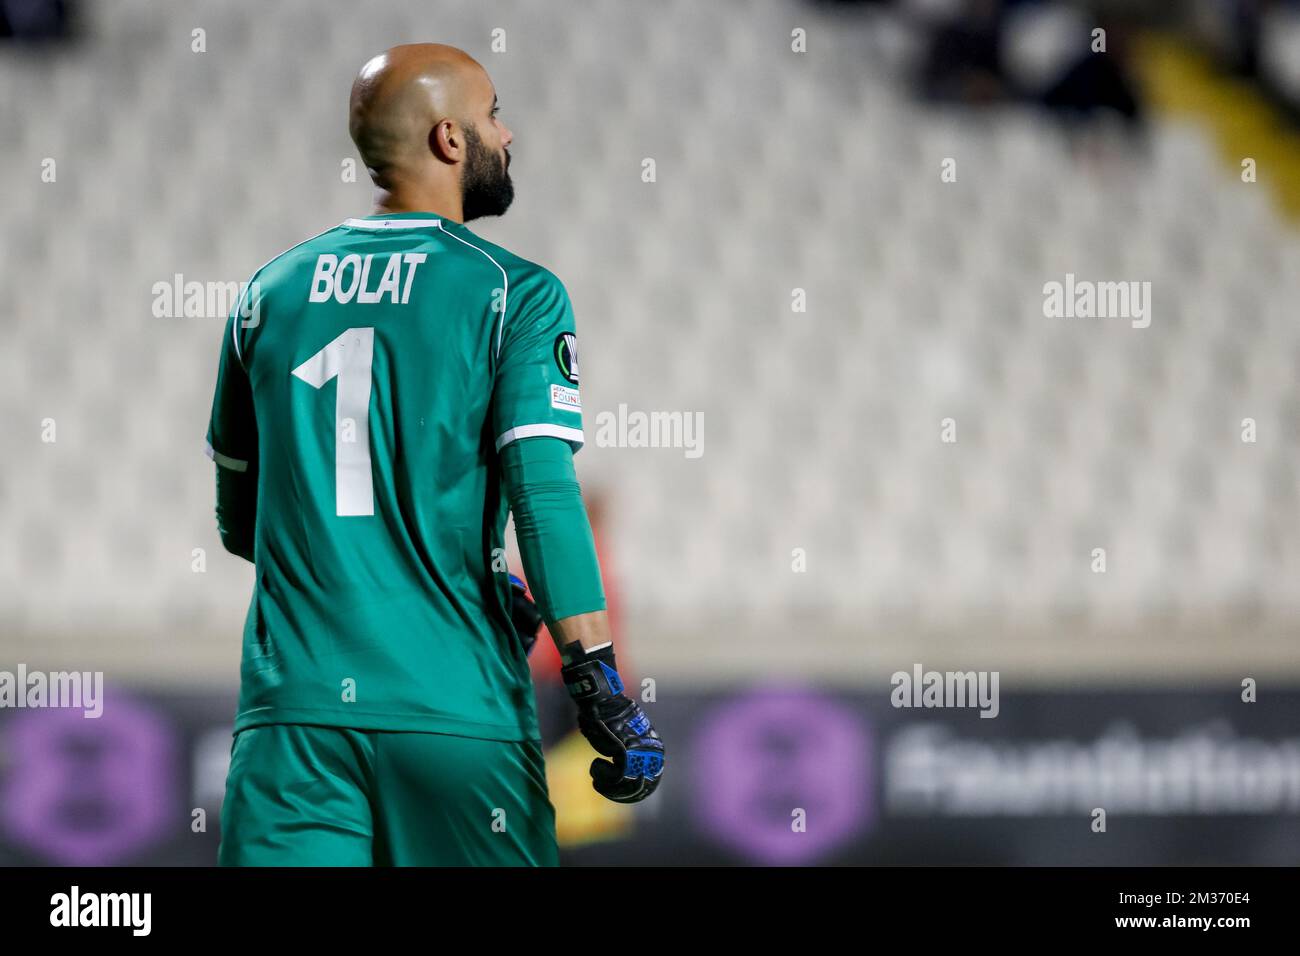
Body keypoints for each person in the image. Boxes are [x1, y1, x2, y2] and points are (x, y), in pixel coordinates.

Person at [205, 42, 664, 866]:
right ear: (450, 139)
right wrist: (597, 683)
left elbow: (243, 525)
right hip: (455, 711)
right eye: (493, 115)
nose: (508, 133)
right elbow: (544, 495)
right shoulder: (512, 291)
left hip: (293, 727)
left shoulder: (265, 292)